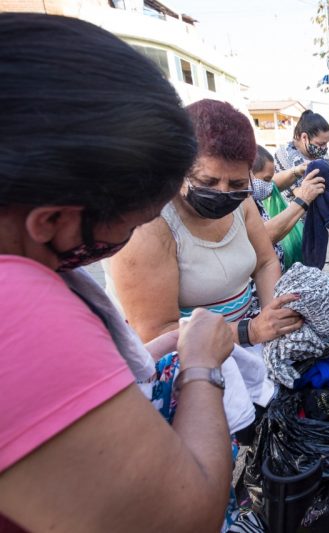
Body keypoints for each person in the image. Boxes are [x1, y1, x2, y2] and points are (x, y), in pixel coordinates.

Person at [0, 13, 237, 531]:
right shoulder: (16, 305)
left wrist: (142, 359)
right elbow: (188, 515)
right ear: (54, 219)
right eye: (132, 225)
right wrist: (201, 366)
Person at [107, 99, 303, 406]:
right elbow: (159, 332)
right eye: (208, 181)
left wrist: (272, 315)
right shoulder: (148, 224)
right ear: (178, 169)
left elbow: (265, 262)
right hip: (180, 368)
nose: (224, 192)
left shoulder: (243, 201)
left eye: (237, 182)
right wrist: (250, 330)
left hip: (239, 343)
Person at [251, 145, 325, 270]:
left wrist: (296, 171)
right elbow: (263, 237)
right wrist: (303, 200)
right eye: (266, 179)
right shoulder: (238, 204)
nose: (269, 185)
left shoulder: (253, 192)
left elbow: (274, 184)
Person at [273, 110, 329, 201]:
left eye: (326, 143)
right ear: (304, 137)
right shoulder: (286, 155)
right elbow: (302, 193)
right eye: (321, 144)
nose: (324, 148)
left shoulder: (319, 152)